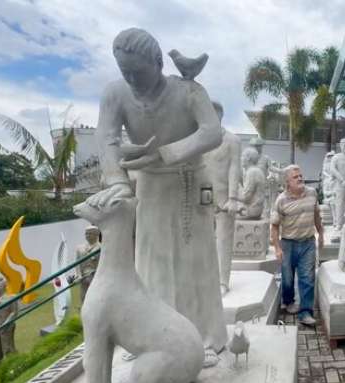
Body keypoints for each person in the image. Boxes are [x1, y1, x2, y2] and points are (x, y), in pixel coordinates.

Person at [88, 28, 227, 365]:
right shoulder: (115, 94)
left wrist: (164, 154)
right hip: (149, 186)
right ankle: (153, 340)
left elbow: (212, 133)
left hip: (189, 183)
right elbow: (105, 138)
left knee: (194, 263)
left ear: (157, 62)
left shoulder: (189, 90)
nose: (132, 78)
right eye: (125, 71)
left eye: (138, 70)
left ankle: (202, 338)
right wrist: (117, 180)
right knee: (152, 264)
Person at [270, 165, 324, 326]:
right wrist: (277, 248)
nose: (300, 178)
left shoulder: (312, 193)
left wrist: (321, 234)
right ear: (287, 182)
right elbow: (274, 226)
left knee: (307, 278)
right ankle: (287, 300)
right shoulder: (281, 200)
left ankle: (305, 312)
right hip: (288, 244)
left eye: (300, 175)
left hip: (307, 242)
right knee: (287, 279)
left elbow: (316, 215)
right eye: (295, 177)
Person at [206, 101, 241, 295]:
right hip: (200, 199)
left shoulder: (231, 140)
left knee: (223, 241)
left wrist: (233, 197)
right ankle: (203, 278)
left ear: (219, 116)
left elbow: (234, 168)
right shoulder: (198, 139)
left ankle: (222, 282)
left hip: (224, 200)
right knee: (199, 241)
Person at [237, 148, 267, 220]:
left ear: (248, 158)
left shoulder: (252, 172)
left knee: (226, 212)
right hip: (255, 208)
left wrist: (234, 190)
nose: (241, 159)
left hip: (252, 210)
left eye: (242, 156)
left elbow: (245, 197)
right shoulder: (256, 170)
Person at [75, 226, 101, 304]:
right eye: (86, 234)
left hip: (96, 278)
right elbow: (77, 263)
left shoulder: (102, 247)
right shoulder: (79, 248)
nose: (87, 235)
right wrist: (78, 275)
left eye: (90, 233)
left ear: (96, 234)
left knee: (95, 300)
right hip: (83, 279)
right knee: (84, 299)